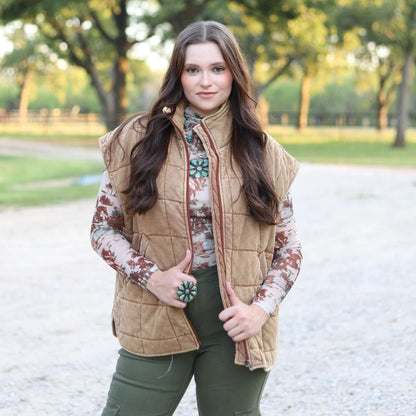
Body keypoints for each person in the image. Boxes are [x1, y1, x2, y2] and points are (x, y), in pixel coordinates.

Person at [90, 20, 302, 416]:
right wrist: (152, 277)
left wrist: (258, 311)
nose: (206, 81)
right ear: (179, 75)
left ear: (234, 75)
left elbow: (288, 248)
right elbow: (103, 229)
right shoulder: (135, 139)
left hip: (234, 325)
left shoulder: (263, 152)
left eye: (218, 69)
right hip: (154, 313)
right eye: (193, 69)